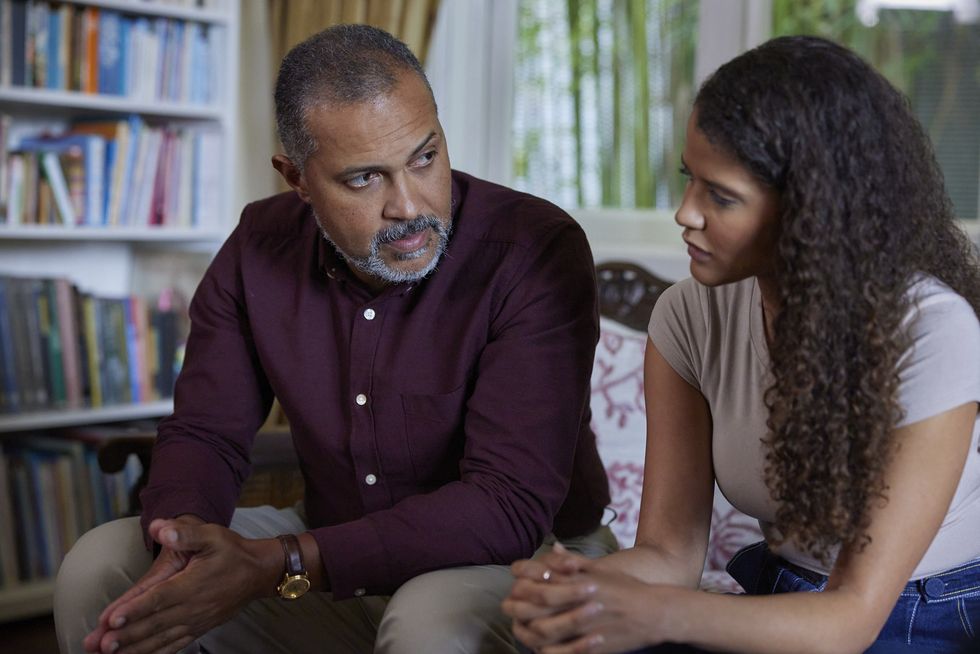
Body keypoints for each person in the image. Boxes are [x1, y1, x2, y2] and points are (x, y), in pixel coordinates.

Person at [54, 24, 617, 654]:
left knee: (429, 618)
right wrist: (180, 546)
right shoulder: (257, 247)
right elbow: (205, 432)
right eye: (364, 180)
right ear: (295, 178)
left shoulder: (534, 248)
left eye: (425, 157)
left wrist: (281, 561)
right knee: (101, 565)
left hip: (528, 560)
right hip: (330, 553)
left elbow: (506, 506)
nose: (409, 206)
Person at [503, 35, 980, 654]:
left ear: (812, 212)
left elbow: (850, 622)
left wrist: (658, 615)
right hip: (781, 594)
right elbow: (670, 555)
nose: (685, 213)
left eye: (720, 197)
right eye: (688, 180)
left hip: (925, 614)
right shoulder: (687, 318)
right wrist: (574, 589)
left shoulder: (931, 332)